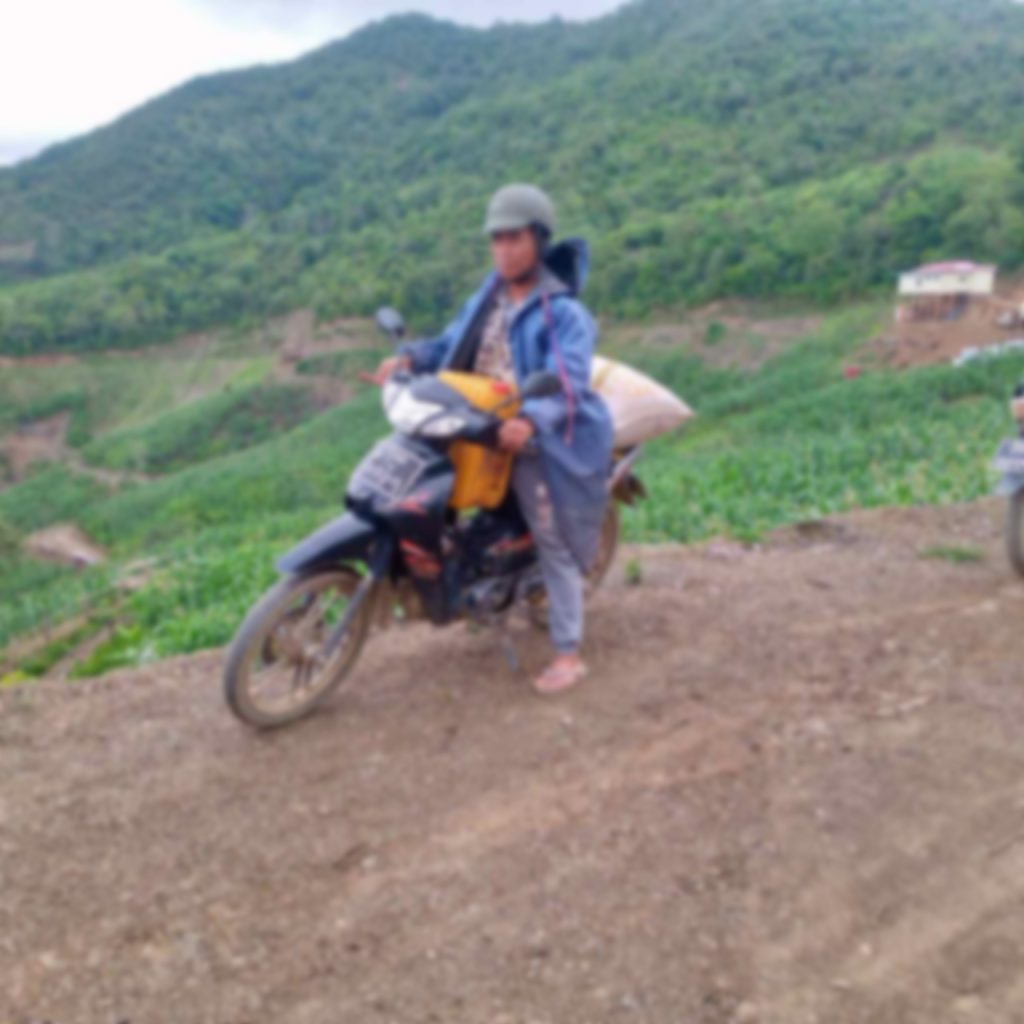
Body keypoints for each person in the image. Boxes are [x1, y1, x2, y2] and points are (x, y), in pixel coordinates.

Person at [375, 184, 614, 695]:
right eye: (497, 240)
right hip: (479, 424)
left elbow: (568, 379)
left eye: (515, 239)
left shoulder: (564, 313)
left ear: (540, 241)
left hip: (535, 436)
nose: (504, 250)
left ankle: (568, 653)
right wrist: (409, 359)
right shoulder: (489, 295)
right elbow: (449, 343)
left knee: (553, 539)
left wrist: (529, 420)